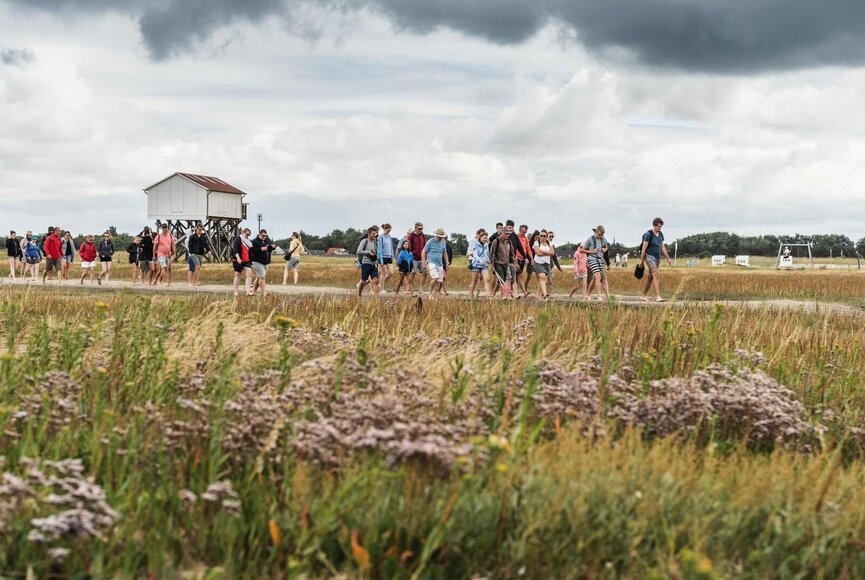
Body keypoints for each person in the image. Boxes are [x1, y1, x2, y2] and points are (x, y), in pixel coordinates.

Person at [639, 217, 673, 303]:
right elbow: (643, 249)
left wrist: (668, 258)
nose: (660, 228)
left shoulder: (661, 234)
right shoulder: (648, 234)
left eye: (661, 226)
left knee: (651, 277)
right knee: (656, 274)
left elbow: (662, 247)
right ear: (654, 225)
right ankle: (658, 296)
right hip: (649, 256)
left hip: (657, 258)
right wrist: (642, 261)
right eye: (658, 226)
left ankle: (643, 295)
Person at [583, 226, 610, 301]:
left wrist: (604, 249)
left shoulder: (603, 240)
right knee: (598, 277)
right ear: (596, 232)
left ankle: (587, 294)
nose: (600, 236)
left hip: (600, 260)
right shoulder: (589, 239)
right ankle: (599, 296)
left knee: (595, 279)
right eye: (599, 234)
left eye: (601, 235)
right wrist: (591, 251)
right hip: (592, 259)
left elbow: (606, 247)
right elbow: (582, 250)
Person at [489, 227, 516, 299]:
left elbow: (512, 253)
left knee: (505, 279)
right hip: (498, 264)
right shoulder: (496, 241)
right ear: (502, 233)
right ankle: (505, 296)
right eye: (506, 234)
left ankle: (493, 293)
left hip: (506, 264)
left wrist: (514, 262)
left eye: (509, 234)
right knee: (502, 280)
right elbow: (492, 253)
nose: (508, 235)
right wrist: (492, 264)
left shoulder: (509, 242)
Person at [422, 228, 449, 300]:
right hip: (431, 261)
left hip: (440, 263)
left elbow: (444, 252)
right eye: (439, 236)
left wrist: (447, 262)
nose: (440, 238)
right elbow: (424, 251)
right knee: (435, 277)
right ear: (436, 235)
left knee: (439, 281)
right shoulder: (430, 241)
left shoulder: (443, 242)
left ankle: (435, 295)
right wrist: (424, 262)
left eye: (442, 236)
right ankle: (430, 293)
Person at [250, 229, 276, 296]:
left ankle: (253, 291)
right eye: (263, 236)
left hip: (266, 262)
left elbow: (271, 246)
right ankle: (265, 292)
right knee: (262, 277)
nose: (264, 237)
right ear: (259, 234)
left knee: (259, 277)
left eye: (265, 236)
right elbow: (251, 251)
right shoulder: (254, 241)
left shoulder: (267, 239)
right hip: (256, 261)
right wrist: (260, 249)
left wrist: (273, 246)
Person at [356, 227, 380, 298]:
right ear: (368, 234)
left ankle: (376, 298)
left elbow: (377, 252)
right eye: (373, 234)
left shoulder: (376, 242)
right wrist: (368, 252)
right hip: (365, 263)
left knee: (376, 280)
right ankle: (359, 293)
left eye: (375, 234)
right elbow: (359, 251)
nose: (374, 235)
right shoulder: (364, 241)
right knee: (363, 281)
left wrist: (377, 259)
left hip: (373, 264)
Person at [467, 229, 492, 298]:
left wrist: (488, 259)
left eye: (486, 238)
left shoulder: (486, 244)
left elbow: (486, 253)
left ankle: (489, 295)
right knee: (474, 280)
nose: (485, 239)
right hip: (476, 264)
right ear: (480, 237)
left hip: (484, 265)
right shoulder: (475, 243)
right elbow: (475, 254)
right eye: (484, 238)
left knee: (487, 279)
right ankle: (470, 295)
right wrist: (479, 260)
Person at [532, 230, 555, 298]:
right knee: (542, 276)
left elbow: (552, 253)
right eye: (541, 235)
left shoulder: (549, 243)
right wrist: (547, 253)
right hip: (538, 263)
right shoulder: (536, 242)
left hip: (546, 263)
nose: (542, 237)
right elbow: (538, 253)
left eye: (544, 236)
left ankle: (537, 294)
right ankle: (545, 294)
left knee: (543, 279)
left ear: (546, 236)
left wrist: (543, 251)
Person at [232, 228, 254, 296]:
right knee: (237, 275)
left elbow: (250, 252)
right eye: (247, 234)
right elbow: (235, 248)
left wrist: (251, 261)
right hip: (238, 259)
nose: (248, 236)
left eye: (249, 235)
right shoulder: (238, 239)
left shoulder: (249, 242)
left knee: (249, 274)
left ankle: (248, 291)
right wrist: (238, 258)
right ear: (243, 232)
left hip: (246, 260)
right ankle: (235, 291)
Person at [407, 222, 428, 292]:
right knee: (412, 273)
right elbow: (408, 246)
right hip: (413, 258)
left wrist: (426, 257)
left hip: (422, 258)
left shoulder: (423, 236)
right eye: (419, 228)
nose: (420, 230)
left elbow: (425, 247)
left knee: (425, 273)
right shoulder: (411, 236)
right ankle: (410, 287)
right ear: (415, 228)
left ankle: (421, 288)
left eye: (421, 228)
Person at [376, 224, 394, 291]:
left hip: (389, 256)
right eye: (388, 230)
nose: (389, 231)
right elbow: (379, 248)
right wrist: (380, 259)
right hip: (382, 257)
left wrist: (392, 255)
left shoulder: (389, 237)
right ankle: (382, 289)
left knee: (391, 273)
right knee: (383, 273)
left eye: (390, 230)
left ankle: (380, 284)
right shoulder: (380, 237)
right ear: (385, 229)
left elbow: (391, 247)